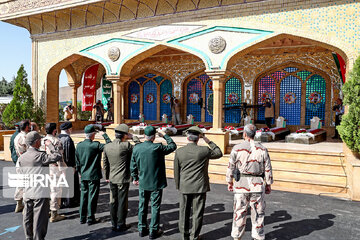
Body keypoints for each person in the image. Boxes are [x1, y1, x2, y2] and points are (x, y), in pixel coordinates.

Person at [174, 126, 223, 240]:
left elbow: (176, 171)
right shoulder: (204, 150)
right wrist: (208, 140)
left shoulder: (179, 151)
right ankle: (194, 236)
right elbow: (218, 152)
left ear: (187, 138)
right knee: (197, 213)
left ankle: (184, 235)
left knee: (183, 212)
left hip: (185, 185)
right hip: (199, 186)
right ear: (198, 138)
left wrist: (178, 185)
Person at [226, 124, 273, 240]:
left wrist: (229, 181)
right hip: (257, 184)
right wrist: (268, 184)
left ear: (244, 134)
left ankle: (237, 236)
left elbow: (230, 166)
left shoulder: (236, 148)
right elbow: (268, 168)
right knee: (258, 213)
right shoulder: (262, 149)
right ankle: (258, 236)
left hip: (241, 184)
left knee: (239, 212)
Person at [131, 126, 177, 239]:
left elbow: (133, 165)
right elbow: (173, 146)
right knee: (155, 206)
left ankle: (141, 228)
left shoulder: (137, 148)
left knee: (142, 205)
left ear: (144, 136)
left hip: (143, 181)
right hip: (156, 182)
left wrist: (135, 177)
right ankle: (153, 230)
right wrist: (165, 135)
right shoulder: (158, 147)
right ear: (154, 136)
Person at [17, 131, 63, 240]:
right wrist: (50, 145)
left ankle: (29, 237)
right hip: (40, 192)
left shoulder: (22, 157)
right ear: (37, 142)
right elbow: (57, 156)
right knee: (39, 219)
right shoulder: (40, 156)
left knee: (27, 217)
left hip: (28, 191)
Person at [103, 124, 140, 231]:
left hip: (112, 177)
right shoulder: (126, 146)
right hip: (122, 178)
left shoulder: (107, 146)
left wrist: (106, 176)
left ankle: (113, 222)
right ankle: (121, 223)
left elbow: (105, 164)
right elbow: (139, 147)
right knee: (122, 202)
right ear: (125, 135)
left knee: (113, 201)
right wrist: (134, 137)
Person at [75, 124, 111, 225]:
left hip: (83, 174)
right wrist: (105, 135)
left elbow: (77, 161)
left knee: (84, 196)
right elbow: (110, 145)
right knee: (92, 197)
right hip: (94, 175)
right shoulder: (96, 145)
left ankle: (82, 217)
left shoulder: (79, 145)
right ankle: (91, 217)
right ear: (93, 135)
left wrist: (79, 172)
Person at [41, 123, 67, 222]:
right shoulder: (56, 141)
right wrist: (63, 170)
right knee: (55, 190)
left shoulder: (42, 140)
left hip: (43, 167)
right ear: (54, 130)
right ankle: (54, 213)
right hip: (54, 168)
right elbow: (59, 158)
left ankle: (46, 210)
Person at [58, 121, 80, 208]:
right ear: (68, 129)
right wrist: (72, 166)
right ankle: (69, 202)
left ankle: (62, 201)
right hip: (68, 165)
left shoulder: (58, 137)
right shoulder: (67, 139)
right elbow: (68, 155)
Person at [14, 119, 31, 213]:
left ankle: (18, 203)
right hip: (26, 163)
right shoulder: (26, 137)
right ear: (26, 126)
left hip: (19, 162)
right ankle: (26, 206)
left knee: (20, 183)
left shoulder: (17, 136)